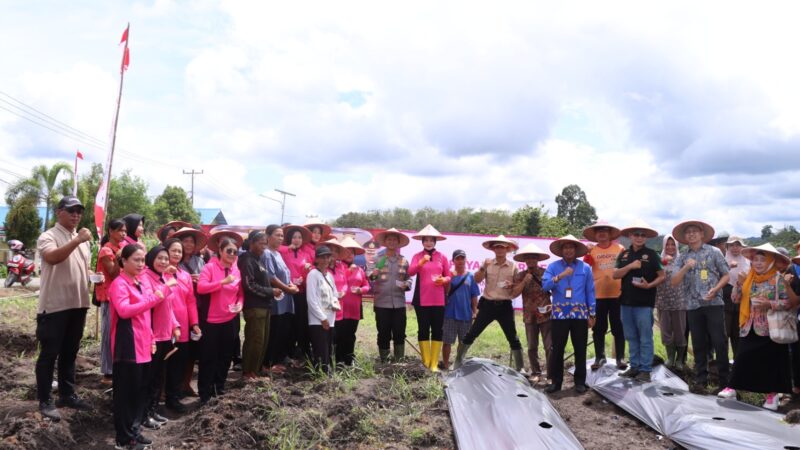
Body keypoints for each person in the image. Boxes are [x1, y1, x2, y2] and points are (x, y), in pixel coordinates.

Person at [35, 195, 94, 421]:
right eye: (71, 210)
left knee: (70, 352)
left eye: (79, 211)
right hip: (55, 306)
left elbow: (77, 267)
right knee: (49, 354)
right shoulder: (48, 236)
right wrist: (77, 240)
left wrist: (89, 276)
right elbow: (52, 257)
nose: (76, 215)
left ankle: (67, 394)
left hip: (78, 304)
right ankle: (45, 399)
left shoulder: (83, 240)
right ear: (59, 212)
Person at [719, 244, 797, 409]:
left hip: (771, 328)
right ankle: (733, 387)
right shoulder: (748, 278)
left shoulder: (777, 279)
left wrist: (770, 304)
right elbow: (735, 299)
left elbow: (788, 302)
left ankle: (772, 395)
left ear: (770, 262)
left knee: (771, 362)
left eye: (763, 260)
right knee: (742, 356)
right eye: (756, 259)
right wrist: (739, 285)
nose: (759, 263)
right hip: (749, 325)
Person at [108, 244, 166, 449]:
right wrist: (152, 299)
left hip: (142, 345)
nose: (141, 264)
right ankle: (123, 439)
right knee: (126, 394)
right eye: (136, 260)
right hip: (127, 345)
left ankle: (134, 431)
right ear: (123, 261)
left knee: (139, 391)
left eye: (143, 260)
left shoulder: (139, 282)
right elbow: (124, 311)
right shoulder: (119, 284)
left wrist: (151, 338)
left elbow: (145, 317)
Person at [670, 220, 730, 391]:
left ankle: (725, 382)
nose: (691, 234)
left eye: (695, 231)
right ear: (684, 237)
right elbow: (674, 281)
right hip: (693, 305)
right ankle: (701, 380)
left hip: (714, 303)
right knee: (698, 343)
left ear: (702, 234)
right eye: (688, 232)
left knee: (719, 341)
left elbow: (726, 275)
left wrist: (716, 289)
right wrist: (685, 267)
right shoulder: (682, 256)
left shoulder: (714, 251)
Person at [455, 235, 524, 372]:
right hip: (487, 304)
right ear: (493, 249)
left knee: (513, 337)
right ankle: (457, 361)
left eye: (502, 247)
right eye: (497, 247)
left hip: (505, 305)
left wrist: (512, 285)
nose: (499, 249)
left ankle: (520, 367)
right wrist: (482, 268)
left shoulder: (513, 266)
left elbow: (516, 285)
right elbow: (476, 280)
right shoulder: (487, 263)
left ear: (507, 249)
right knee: (472, 333)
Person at [541, 235, 596, 394]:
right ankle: (556, 382)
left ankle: (580, 382)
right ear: (561, 251)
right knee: (557, 349)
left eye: (571, 247)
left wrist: (592, 313)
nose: (568, 250)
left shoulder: (586, 268)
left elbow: (590, 292)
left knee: (580, 348)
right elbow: (545, 286)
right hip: (559, 315)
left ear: (576, 250)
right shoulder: (553, 267)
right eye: (565, 247)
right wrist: (561, 276)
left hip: (580, 315)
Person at [612, 221, 665, 382]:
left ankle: (646, 369)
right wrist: (630, 267)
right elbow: (615, 275)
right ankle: (634, 366)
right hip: (626, 302)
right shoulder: (624, 255)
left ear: (646, 237)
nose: (639, 237)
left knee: (645, 337)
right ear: (630, 236)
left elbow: (662, 276)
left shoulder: (652, 254)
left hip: (644, 303)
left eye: (643, 235)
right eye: (636, 234)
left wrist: (649, 285)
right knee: (630, 336)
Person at [196, 230, 244, 404]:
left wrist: (240, 304)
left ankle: (219, 387)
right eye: (228, 251)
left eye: (235, 252)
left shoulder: (236, 270)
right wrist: (222, 282)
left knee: (225, 356)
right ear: (220, 251)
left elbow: (240, 292)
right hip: (211, 321)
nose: (232, 254)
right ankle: (205, 392)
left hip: (230, 319)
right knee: (209, 357)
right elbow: (201, 288)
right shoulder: (210, 267)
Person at [140, 246, 180, 428]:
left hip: (165, 334)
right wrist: (166, 287)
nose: (164, 262)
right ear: (150, 259)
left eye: (166, 259)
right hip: (152, 335)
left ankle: (153, 410)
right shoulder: (146, 277)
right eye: (159, 258)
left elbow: (168, 307)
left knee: (158, 376)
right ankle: (143, 414)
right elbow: (150, 301)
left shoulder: (163, 277)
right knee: (148, 377)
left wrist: (175, 325)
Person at [582, 221, 627, 370]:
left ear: (610, 234)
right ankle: (599, 357)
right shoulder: (591, 250)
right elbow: (585, 270)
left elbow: (627, 268)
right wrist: (587, 253)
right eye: (599, 231)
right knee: (598, 328)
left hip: (618, 295)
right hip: (597, 295)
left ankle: (620, 358)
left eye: (605, 231)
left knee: (618, 327)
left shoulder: (620, 248)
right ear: (595, 235)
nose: (602, 233)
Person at [162, 238, 199, 414]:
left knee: (178, 363)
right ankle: (155, 399)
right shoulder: (158, 274)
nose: (176, 254)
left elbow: (191, 302)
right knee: (162, 363)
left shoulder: (184, 275)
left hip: (182, 326)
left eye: (179, 251)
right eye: (173, 250)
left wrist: (195, 323)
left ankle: (173, 397)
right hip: (163, 326)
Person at [407, 225, 451, 372]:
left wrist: (444, 280)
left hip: (439, 300)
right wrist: (421, 263)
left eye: (431, 240)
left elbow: (449, 275)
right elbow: (411, 272)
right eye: (426, 240)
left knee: (438, 330)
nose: (428, 243)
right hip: (421, 299)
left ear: (435, 241)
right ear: (422, 241)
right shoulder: (417, 256)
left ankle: (434, 363)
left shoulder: (442, 257)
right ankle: (425, 361)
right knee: (423, 329)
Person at [171, 226, 207, 397]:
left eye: (191, 241)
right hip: (176, 311)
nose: (188, 244)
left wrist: (200, 280)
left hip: (196, 307)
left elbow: (208, 280)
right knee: (173, 349)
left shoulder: (200, 262)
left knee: (193, 349)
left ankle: (185, 383)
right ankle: (168, 387)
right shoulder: (171, 264)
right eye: (185, 241)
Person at [238, 230, 278, 380]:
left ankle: (256, 370)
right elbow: (249, 285)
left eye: (265, 244)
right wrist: (270, 291)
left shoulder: (258, 260)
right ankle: (248, 372)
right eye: (261, 244)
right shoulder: (247, 259)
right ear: (252, 243)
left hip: (264, 307)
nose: (264, 247)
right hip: (255, 307)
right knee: (255, 340)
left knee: (263, 340)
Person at [369, 228, 412, 363]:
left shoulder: (403, 261)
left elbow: (409, 278)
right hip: (382, 303)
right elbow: (369, 276)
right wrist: (373, 274)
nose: (392, 242)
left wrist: (407, 284)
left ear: (398, 243)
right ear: (385, 242)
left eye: (394, 240)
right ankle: (384, 360)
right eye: (389, 239)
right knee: (383, 333)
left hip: (399, 303)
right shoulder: (377, 259)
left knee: (400, 332)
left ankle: (399, 360)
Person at [510, 243, 551, 379]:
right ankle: (536, 372)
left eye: (533, 258)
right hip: (529, 316)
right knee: (532, 347)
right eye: (528, 258)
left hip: (545, 314)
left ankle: (551, 374)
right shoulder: (520, 276)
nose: (531, 260)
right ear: (525, 261)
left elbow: (555, 289)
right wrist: (524, 282)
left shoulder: (546, 274)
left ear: (537, 259)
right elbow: (514, 294)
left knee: (549, 346)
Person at [96, 218, 127, 385]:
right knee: (108, 333)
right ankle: (107, 372)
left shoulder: (121, 248)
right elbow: (114, 273)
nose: (123, 233)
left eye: (125, 231)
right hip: (108, 297)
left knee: (117, 333)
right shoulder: (106, 250)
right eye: (120, 230)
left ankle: (116, 367)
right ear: (111, 231)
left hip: (120, 296)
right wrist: (119, 257)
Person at [264, 225, 296, 374]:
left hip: (285, 298)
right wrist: (288, 288)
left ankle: (277, 359)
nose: (280, 238)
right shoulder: (267, 253)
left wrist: (291, 284)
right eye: (277, 235)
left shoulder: (277, 254)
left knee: (282, 330)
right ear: (268, 236)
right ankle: (269, 363)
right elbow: (271, 277)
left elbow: (284, 274)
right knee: (274, 331)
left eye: (282, 236)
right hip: (276, 299)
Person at [441, 249, 480, 371]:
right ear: (453, 261)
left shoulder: (471, 276)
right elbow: (445, 293)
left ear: (466, 260)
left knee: (463, 343)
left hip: (466, 314)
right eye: (457, 258)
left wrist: (475, 311)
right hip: (449, 313)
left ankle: (458, 364)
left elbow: (474, 295)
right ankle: (446, 365)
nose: (460, 261)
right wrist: (449, 279)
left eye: (462, 258)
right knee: (447, 341)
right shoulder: (448, 276)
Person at [335, 236, 370, 366]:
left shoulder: (360, 269)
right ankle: (338, 359)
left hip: (355, 307)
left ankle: (349, 359)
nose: (350, 254)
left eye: (352, 252)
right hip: (341, 307)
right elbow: (339, 281)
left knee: (351, 334)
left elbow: (367, 285)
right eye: (347, 251)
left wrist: (362, 290)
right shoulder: (338, 267)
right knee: (340, 334)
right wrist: (348, 271)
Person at [655, 234, 688, 370]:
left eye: (672, 244)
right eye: (667, 244)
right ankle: (670, 358)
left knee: (680, 331)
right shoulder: (658, 259)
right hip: (663, 300)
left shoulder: (682, 259)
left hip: (680, 301)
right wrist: (662, 262)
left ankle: (680, 360)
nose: (670, 247)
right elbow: (652, 274)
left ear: (676, 246)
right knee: (666, 331)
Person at [279, 224, 311, 363]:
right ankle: (287, 351)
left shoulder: (306, 254)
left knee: (301, 323)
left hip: (301, 293)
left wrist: (305, 273)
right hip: (287, 292)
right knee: (288, 323)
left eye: (299, 237)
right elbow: (273, 250)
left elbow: (310, 272)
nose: (297, 240)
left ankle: (301, 351)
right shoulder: (283, 251)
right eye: (294, 237)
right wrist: (288, 248)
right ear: (289, 239)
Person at [306, 245, 339, 372]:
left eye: (328, 257)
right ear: (317, 259)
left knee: (328, 348)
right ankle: (320, 374)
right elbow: (311, 299)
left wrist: (336, 303)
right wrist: (322, 318)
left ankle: (326, 372)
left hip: (330, 318)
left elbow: (335, 293)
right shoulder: (313, 275)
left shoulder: (329, 275)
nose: (326, 260)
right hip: (318, 320)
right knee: (321, 349)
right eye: (322, 257)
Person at [724, 236, 750, 359]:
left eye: (737, 245)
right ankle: (723, 362)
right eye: (732, 245)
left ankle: (737, 360)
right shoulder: (722, 260)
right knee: (724, 333)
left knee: (738, 333)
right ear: (727, 247)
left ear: (742, 247)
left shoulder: (748, 262)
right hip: (725, 299)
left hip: (743, 300)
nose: (735, 248)